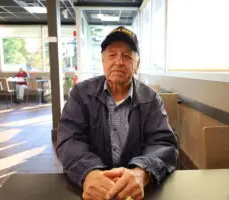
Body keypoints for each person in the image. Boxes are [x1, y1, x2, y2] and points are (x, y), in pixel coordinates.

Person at [57, 26, 178, 200]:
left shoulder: (151, 99)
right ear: (103, 61)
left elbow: (164, 144)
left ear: (137, 64)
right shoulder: (80, 94)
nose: (119, 62)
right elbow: (69, 139)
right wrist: (89, 173)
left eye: (127, 56)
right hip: (91, 188)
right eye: (112, 55)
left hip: (136, 192)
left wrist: (141, 173)